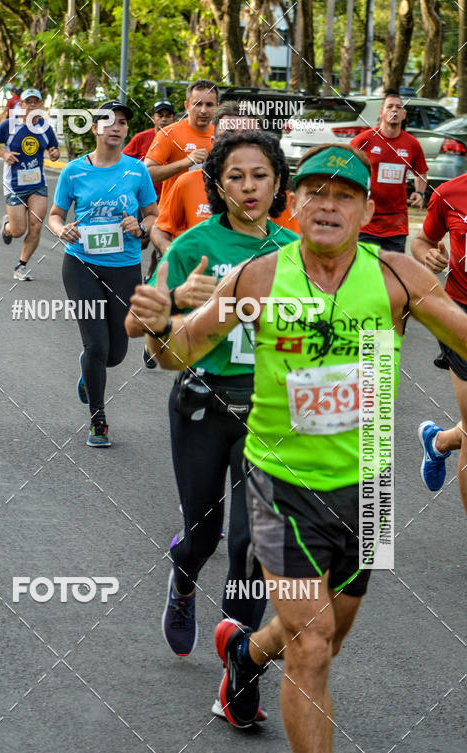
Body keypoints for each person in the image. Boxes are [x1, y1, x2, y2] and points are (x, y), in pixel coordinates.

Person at [128, 143, 467, 753]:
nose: (327, 205)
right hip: (281, 483)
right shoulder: (258, 275)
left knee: (324, 636)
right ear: (296, 203)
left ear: (369, 212)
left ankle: (243, 660)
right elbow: (179, 354)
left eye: (344, 196)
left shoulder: (397, 277)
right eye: (314, 191)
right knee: (311, 647)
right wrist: (156, 323)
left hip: (369, 487)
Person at [125, 131, 297, 703]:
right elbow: (138, 326)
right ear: (218, 186)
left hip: (271, 412)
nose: (249, 187)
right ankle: (183, 576)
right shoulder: (193, 246)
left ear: (277, 183)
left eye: (260, 176)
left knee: (253, 544)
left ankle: (239, 670)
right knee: (205, 533)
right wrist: (177, 301)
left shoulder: (297, 250)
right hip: (202, 402)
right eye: (236, 177)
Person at [48, 100, 158, 447]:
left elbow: (154, 216)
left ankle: (89, 373)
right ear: (95, 127)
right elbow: (54, 214)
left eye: (123, 123)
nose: (117, 128)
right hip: (80, 264)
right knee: (95, 344)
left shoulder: (136, 171)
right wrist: (60, 230)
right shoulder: (74, 171)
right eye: (109, 122)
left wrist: (139, 226)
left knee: (115, 353)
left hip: (124, 268)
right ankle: (98, 420)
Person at [151, 102, 299, 256]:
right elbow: (160, 228)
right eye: (228, 136)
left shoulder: (277, 189)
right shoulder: (186, 183)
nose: (238, 146)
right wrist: (171, 252)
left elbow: (294, 247)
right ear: (213, 143)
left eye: (249, 137)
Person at [411, 175, 467, 505]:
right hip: (459, 314)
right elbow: (422, 241)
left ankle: (439, 442)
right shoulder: (450, 193)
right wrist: (429, 256)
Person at [0, 88, 60, 281]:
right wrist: (4, 154)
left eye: (37, 101)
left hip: (38, 184)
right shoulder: (10, 125)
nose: (33, 105)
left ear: (41, 105)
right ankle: (7, 225)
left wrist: (54, 154)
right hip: (15, 185)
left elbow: (54, 149)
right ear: (22, 105)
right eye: (29, 101)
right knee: (18, 231)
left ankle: (21, 266)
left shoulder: (45, 128)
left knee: (36, 226)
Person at [350, 89, 427, 252]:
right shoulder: (365, 140)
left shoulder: (411, 143)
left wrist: (420, 193)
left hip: (396, 224)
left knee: (393, 273)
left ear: (404, 114)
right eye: (390, 106)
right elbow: (345, 165)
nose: (394, 110)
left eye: (399, 107)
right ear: (381, 112)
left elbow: (420, 171)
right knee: (367, 272)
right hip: (366, 221)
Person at [124, 99, 175, 285]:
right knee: (142, 241)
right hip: (143, 200)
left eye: (168, 116)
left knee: (162, 241)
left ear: (174, 118)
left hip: (168, 199)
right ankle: (129, 271)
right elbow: (124, 163)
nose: (164, 119)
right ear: (153, 118)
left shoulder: (178, 138)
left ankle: (150, 278)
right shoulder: (141, 138)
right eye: (160, 115)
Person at [145, 80, 216, 207]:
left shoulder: (221, 135)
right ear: (187, 106)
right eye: (197, 104)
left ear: (217, 106)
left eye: (209, 105)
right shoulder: (169, 134)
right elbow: (147, 174)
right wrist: (186, 162)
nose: (203, 110)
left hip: (209, 218)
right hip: (173, 219)